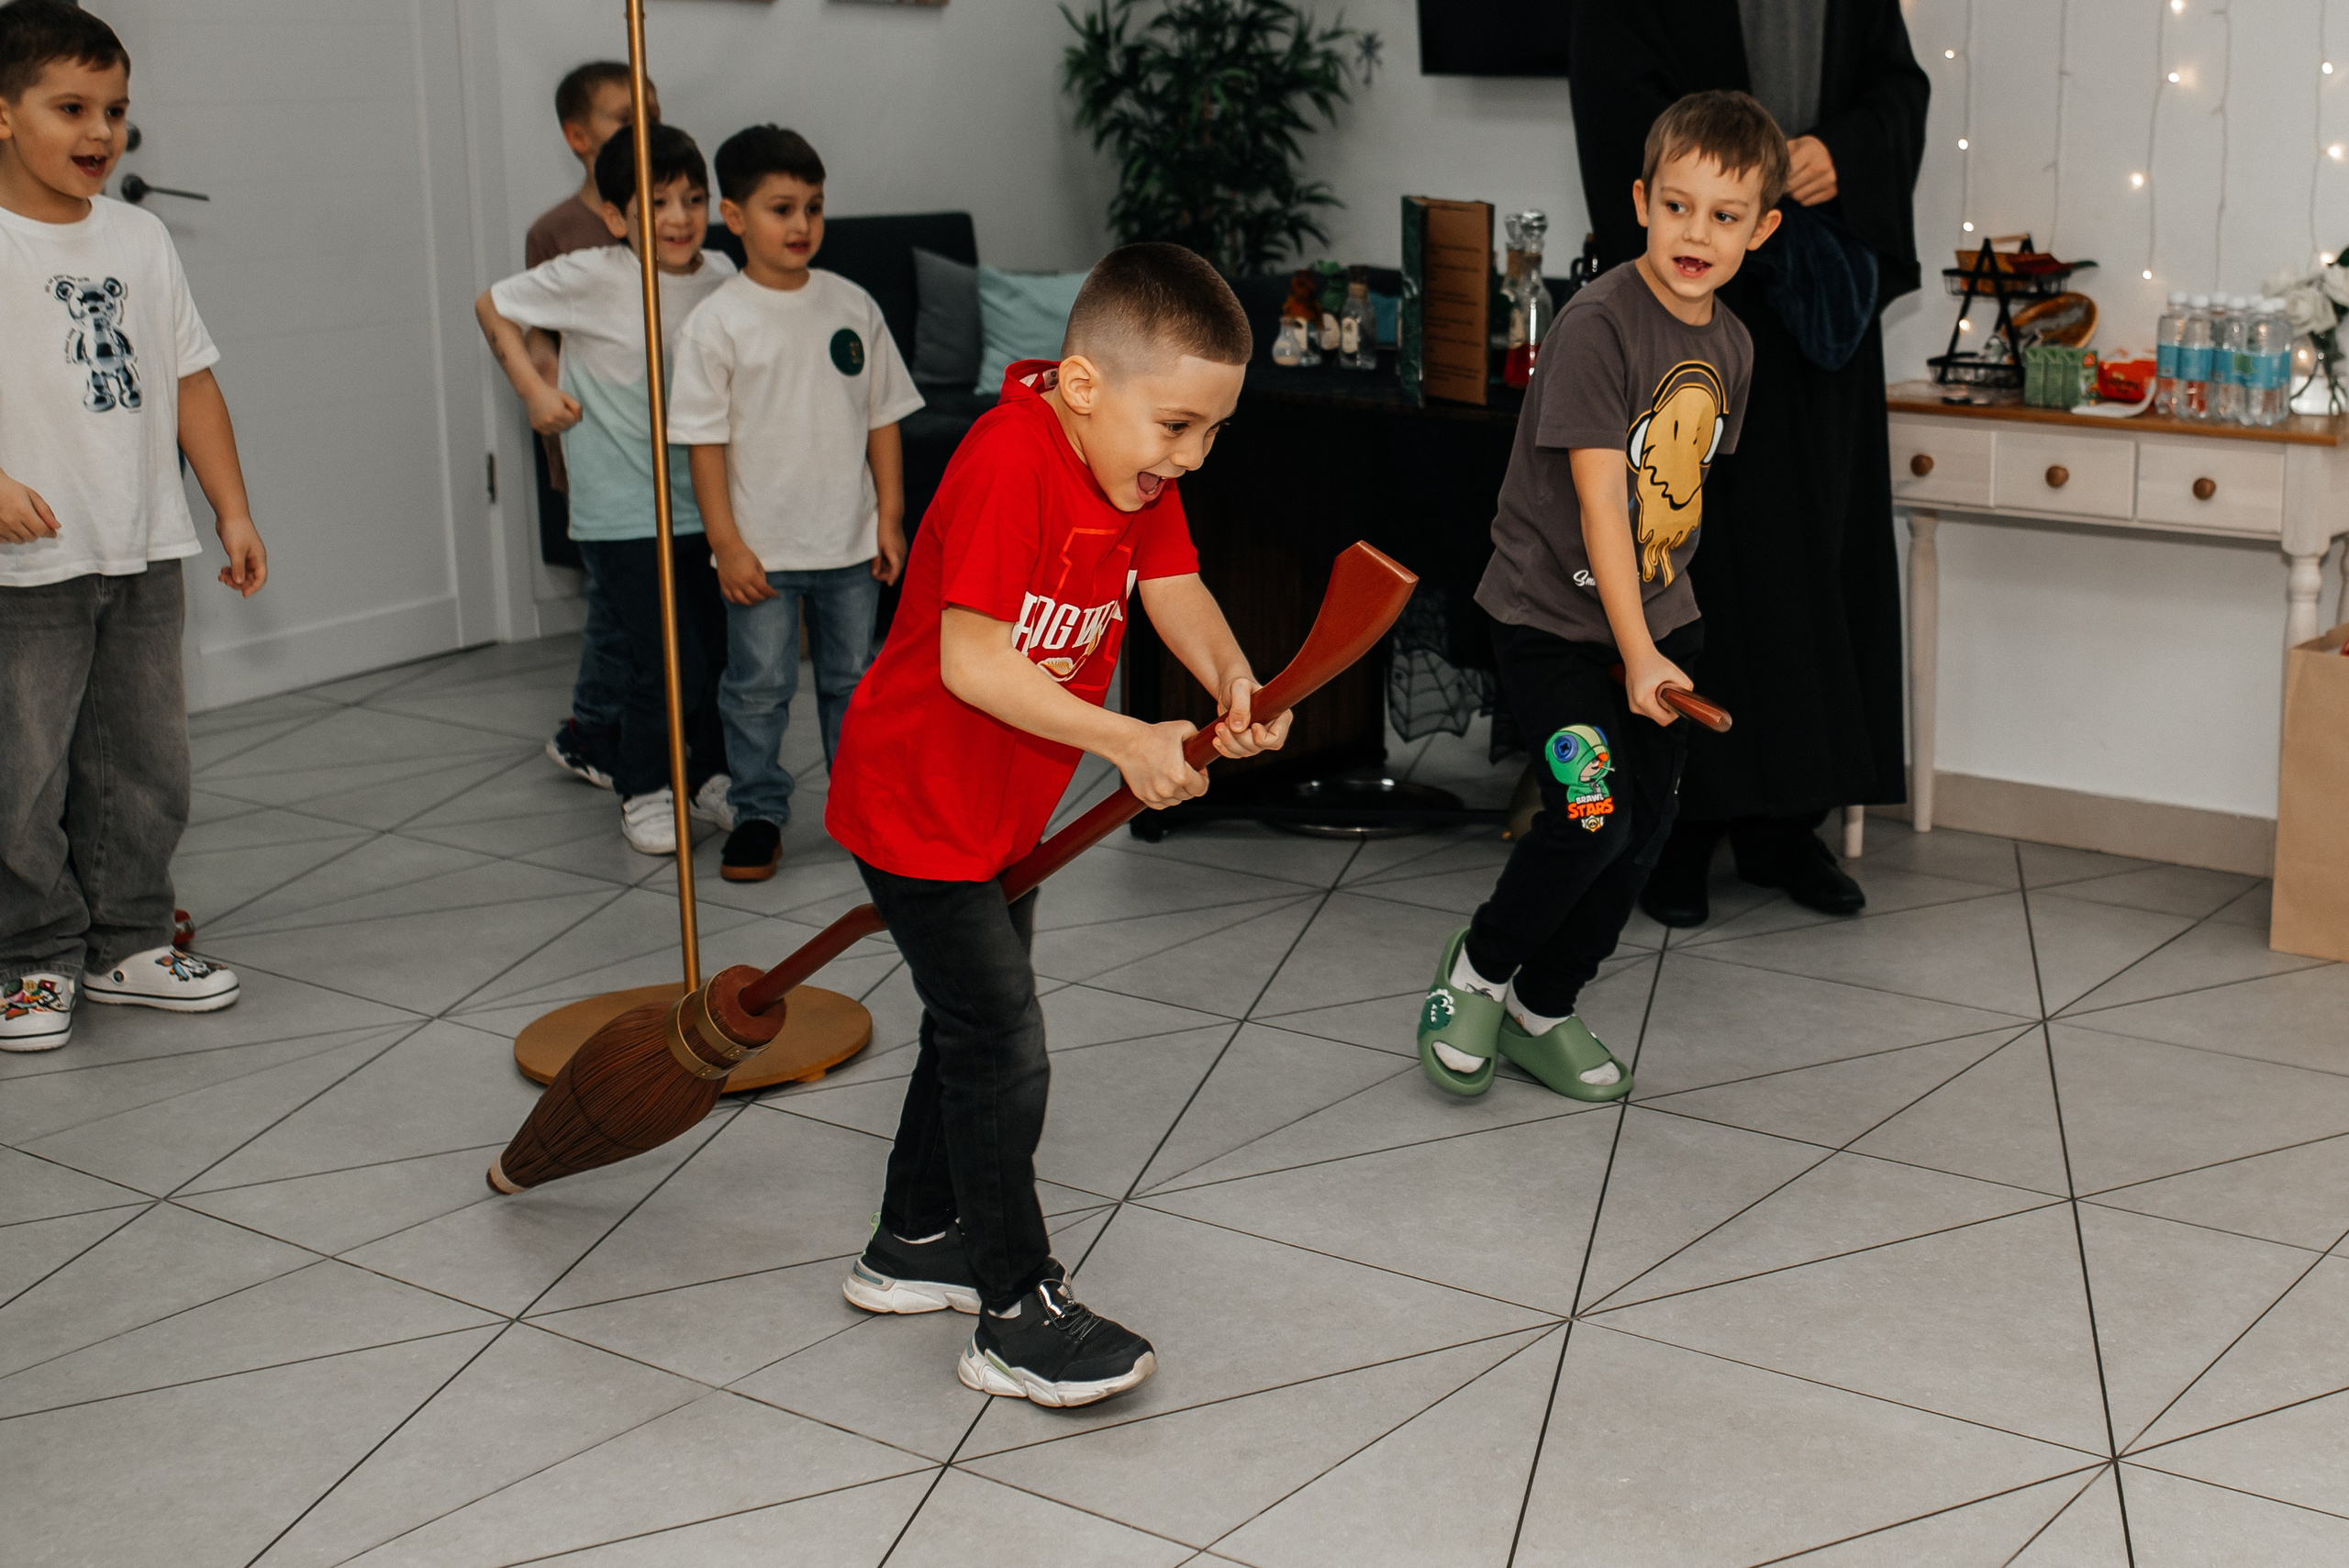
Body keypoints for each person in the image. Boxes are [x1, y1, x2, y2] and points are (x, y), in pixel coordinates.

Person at [823, 242, 1286, 1407]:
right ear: (1084, 387)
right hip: (916, 798)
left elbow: (1171, 587)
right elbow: (971, 661)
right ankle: (1013, 1306)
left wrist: (1233, 680)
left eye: (1212, 433)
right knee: (999, 1036)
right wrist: (1129, 736)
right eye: (1176, 425)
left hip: (1000, 810)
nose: (1190, 457)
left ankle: (912, 1238)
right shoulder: (1007, 461)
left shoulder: (1136, 476)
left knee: (964, 1025)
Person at [1418, 92, 1779, 1101]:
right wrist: (1633, 651)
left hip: (1657, 627)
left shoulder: (1736, 350)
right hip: (1552, 623)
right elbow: (1599, 499)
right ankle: (1479, 970)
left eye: (1723, 214)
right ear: (1639, 203)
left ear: (1761, 229)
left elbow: (1682, 498)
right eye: (1676, 206)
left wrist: (1658, 640)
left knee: (1644, 834)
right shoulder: (1595, 324)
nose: (1695, 233)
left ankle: (1544, 1004)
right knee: (1588, 813)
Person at [1568, 2, 1929, 926]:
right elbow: (1616, 91)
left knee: (1813, 563)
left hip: (1816, 313)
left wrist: (1838, 151)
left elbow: (1897, 85)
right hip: (1700, 299)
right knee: (1698, 557)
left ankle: (1785, 828)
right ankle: (1676, 832)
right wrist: (1729, 190)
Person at [0, 0, 265, 1051]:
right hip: (27, 565)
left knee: (146, 759)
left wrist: (230, 506)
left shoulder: (142, 237)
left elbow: (191, 380)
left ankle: (128, 940)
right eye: (71, 107)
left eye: (114, 109)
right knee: (24, 770)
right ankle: (27, 955)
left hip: (144, 544)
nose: (100, 131)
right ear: (4, 114)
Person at [670, 127, 921, 884]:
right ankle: (757, 812)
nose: (801, 225)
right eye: (781, 208)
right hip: (764, 553)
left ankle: (858, 807)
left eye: (813, 207)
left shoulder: (853, 305)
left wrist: (889, 517)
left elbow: (882, 417)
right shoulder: (716, 322)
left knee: (852, 683)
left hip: (848, 543)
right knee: (758, 688)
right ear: (735, 216)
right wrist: (728, 544)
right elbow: (703, 444)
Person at [475, 122, 735, 855]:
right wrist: (532, 389)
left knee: (713, 652)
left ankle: (710, 772)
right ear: (618, 217)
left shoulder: (721, 277)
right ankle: (644, 786)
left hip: (705, 508)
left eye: (693, 199)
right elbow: (493, 303)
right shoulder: (591, 273)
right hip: (622, 512)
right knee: (662, 659)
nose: (679, 218)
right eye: (657, 203)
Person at [529, 60, 656, 794]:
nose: (644, 126)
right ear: (579, 136)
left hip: (658, 448)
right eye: (623, 115)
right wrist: (552, 412)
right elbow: (542, 341)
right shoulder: (557, 231)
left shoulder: (666, 219)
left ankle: (622, 720)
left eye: (653, 110)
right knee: (613, 600)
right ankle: (588, 728)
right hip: (595, 448)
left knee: (636, 600)